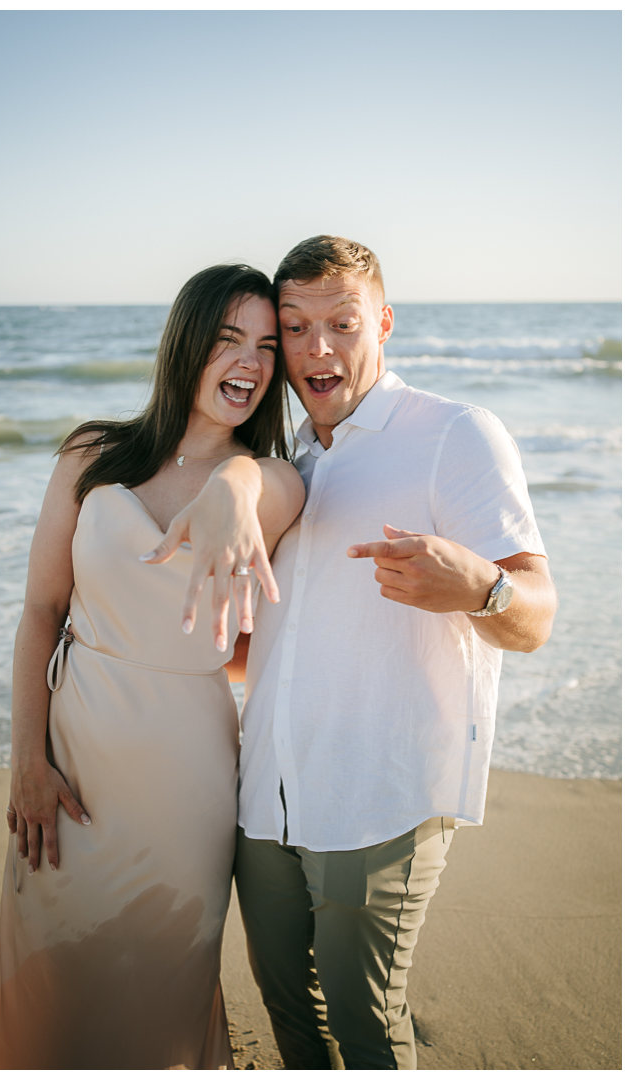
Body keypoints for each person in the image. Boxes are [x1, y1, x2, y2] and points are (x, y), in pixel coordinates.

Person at [146, 236, 557, 1070]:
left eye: (341, 323)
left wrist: (482, 589)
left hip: (380, 800)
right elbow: (277, 644)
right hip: (267, 796)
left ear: (385, 323)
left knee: (367, 1027)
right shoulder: (292, 456)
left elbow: (536, 617)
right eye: (293, 327)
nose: (315, 348)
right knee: (287, 1009)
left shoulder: (454, 435)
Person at [0, 264, 305, 1070]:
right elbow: (41, 613)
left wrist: (235, 479)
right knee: (49, 978)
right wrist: (26, 762)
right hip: (73, 766)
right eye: (227, 339)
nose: (250, 363)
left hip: (188, 782)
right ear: (186, 342)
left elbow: (268, 487)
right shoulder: (92, 453)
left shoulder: (277, 483)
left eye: (264, 346)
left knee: (160, 986)